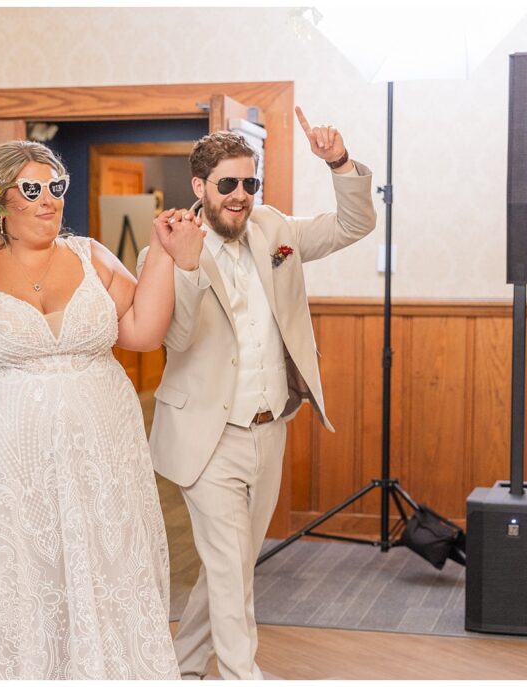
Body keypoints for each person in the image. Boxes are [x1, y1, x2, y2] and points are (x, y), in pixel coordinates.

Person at [0, 140, 203, 680]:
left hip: (96, 462)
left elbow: (144, 333)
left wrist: (164, 252)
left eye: (56, 188)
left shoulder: (92, 255)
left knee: (97, 569)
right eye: (31, 189)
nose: (48, 200)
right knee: (16, 578)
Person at [139, 109, 377, 679]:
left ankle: (183, 668)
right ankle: (243, 676)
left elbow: (354, 225)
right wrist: (190, 268)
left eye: (250, 183)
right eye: (228, 184)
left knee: (235, 567)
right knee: (228, 568)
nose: (241, 195)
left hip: (271, 427)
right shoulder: (166, 248)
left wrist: (339, 163)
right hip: (207, 435)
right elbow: (174, 338)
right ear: (199, 187)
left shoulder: (276, 231)